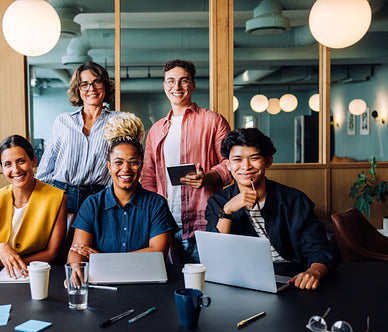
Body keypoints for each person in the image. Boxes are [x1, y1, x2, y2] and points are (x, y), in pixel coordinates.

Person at [205, 128, 336, 290]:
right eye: (237, 160)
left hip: (291, 277)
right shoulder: (218, 202)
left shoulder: (294, 200)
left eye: (254, 158)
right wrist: (228, 211)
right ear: (228, 165)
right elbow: (216, 256)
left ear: (268, 162)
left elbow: (319, 250)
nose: (245, 166)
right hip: (240, 280)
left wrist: (313, 272)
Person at [141, 59, 232, 263]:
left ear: (193, 84)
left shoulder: (214, 121)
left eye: (184, 81)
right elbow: (148, 178)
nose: (177, 87)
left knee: (208, 285)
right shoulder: (156, 129)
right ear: (165, 86)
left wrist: (208, 177)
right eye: (171, 81)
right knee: (168, 289)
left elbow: (231, 164)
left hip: (204, 223)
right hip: (165, 225)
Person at [67, 113, 178, 264]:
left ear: (141, 166)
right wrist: (75, 268)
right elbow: (77, 251)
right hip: (102, 281)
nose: (126, 169)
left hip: (144, 281)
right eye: (118, 162)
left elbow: (157, 254)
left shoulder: (156, 204)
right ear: (109, 166)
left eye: (133, 162)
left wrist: (102, 258)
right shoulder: (92, 204)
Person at [0, 135, 67, 278]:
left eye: (21, 161)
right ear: (2, 168)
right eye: (8, 164)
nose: (15, 170)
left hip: (33, 275)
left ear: (34, 161)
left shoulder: (57, 198)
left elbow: (52, 253)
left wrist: (13, 264)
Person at [36, 62, 120, 214]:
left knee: (94, 239)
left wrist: (112, 197)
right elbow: (47, 166)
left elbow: (122, 164)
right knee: (62, 239)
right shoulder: (63, 121)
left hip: (100, 197)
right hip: (62, 195)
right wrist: (44, 199)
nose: (91, 89)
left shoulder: (119, 121)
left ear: (105, 86)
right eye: (84, 84)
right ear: (78, 89)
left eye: (97, 82)